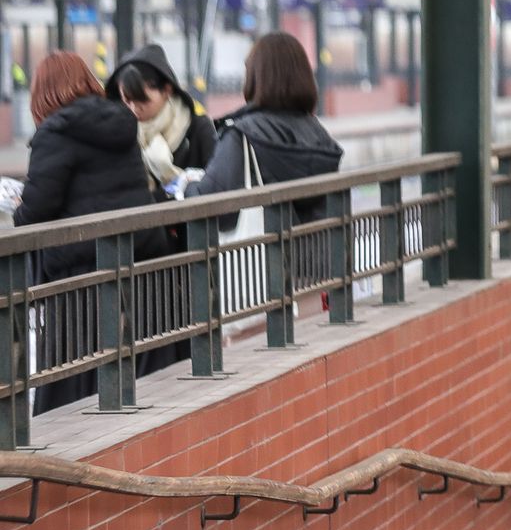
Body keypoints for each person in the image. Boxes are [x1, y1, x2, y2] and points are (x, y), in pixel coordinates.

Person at [13, 51, 161, 413]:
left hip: (82, 274)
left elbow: (35, 212)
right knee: (134, 366)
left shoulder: (54, 133)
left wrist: (18, 205)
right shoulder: (120, 122)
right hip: (136, 257)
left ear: (43, 92)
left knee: (73, 376)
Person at [185, 32, 342, 214]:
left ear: (255, 76)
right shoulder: (317, 131)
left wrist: (188, 186)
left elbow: (209, 200)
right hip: (318, 241)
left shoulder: (243, 134)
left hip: (269, 241)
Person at [110, 44, 216, 192]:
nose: (134, 109)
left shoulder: (198, 129)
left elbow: (218, 186)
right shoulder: (121, 136)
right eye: (127, 101)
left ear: (167, 90)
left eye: (142, 100)